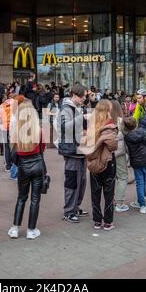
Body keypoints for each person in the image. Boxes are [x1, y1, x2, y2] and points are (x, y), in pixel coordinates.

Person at [7, 100, 46, 239]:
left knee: (21, 198)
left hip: (23, 166)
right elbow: (43, 149)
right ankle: (31, 230)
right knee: (35, 199)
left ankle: (15, 228)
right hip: (37, 165)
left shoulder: (16, 132)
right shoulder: (40, 130)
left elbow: (13, 151)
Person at [81, 100, 118, 230]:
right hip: (107, 161)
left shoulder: (92, 125)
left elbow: (86, 144)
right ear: (107, 110)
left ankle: (97, 221)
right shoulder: (109, 125)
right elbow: (113, 146)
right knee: (109, 192)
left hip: (93, 161)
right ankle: (108, 222)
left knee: (95, 192)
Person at [58, 85, 89, 223]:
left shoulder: (77, 108)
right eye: (83, 96)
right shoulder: (66, 108)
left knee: (81, 181)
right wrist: (82, 117)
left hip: (79, 149)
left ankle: (75, 207)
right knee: (72, 181)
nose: (84, 99)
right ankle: (69, 211)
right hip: (71, 150)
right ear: (75, 95)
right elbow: (65, 127)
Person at [124, 117, 146, 214]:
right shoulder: (144, 132)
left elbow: (126, 150)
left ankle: (142, 204)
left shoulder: (126, 137)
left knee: (139, 182)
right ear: (136, 124)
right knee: (145, 180)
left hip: (136, 160)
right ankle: (141, 201)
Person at [111, 101, 130, 213]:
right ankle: (119, 202)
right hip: (118, 152)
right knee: (122, 176)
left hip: (107, 152)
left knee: (111, 177)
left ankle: (111, 200)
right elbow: (127, 133)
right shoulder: (121, 121)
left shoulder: (105, 120)